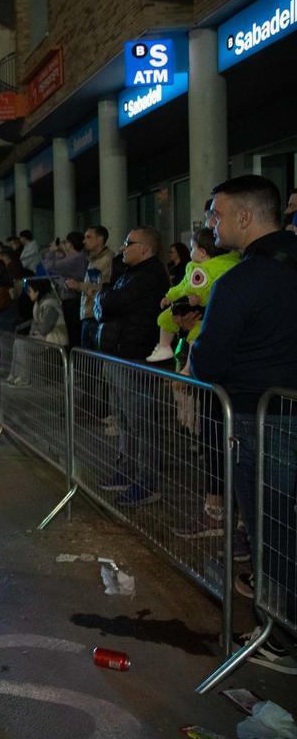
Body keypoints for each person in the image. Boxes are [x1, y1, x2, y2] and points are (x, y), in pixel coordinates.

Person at [185, 175, 297, 673]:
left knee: (269, 527)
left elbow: (209, 361)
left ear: (246, 217)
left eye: (218, 214)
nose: (213, 223)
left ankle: (277, 635)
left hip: (258, 420)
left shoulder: (240, 281)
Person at [94, 226, 170, 507]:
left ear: (145, 248)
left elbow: (112, 302)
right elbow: (105, 305)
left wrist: (103, 299)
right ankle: (126, 471)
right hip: (118, 354)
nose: (123, 248)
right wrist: (104, 300)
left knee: (142, 422)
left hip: (135, 357)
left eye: (129, 243)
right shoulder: (130, 274)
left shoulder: (149, 276)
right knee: (124, 420)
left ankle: (146, 481)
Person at [146, 227, 239, 363]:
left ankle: (189, 366)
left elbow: (218, 291)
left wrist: (202, 299)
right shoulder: (192, 268)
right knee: (165, 318)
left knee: (195, 337)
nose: (191, 252)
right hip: (189, 308)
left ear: (202, 252)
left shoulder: (222, 268)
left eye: (192, 248)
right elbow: (183, 286)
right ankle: (164, 347)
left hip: (207, 314)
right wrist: (170, 296)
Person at [42, 231, 87, 347]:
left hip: (73, 300)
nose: (63, 245)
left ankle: (75, 362)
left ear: (70, 244)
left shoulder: (76, 259)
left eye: (65, 242)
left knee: (73, 334)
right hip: (75, 299)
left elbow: (49, 267)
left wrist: (52, 251)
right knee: (74, 333)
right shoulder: (79, 258)